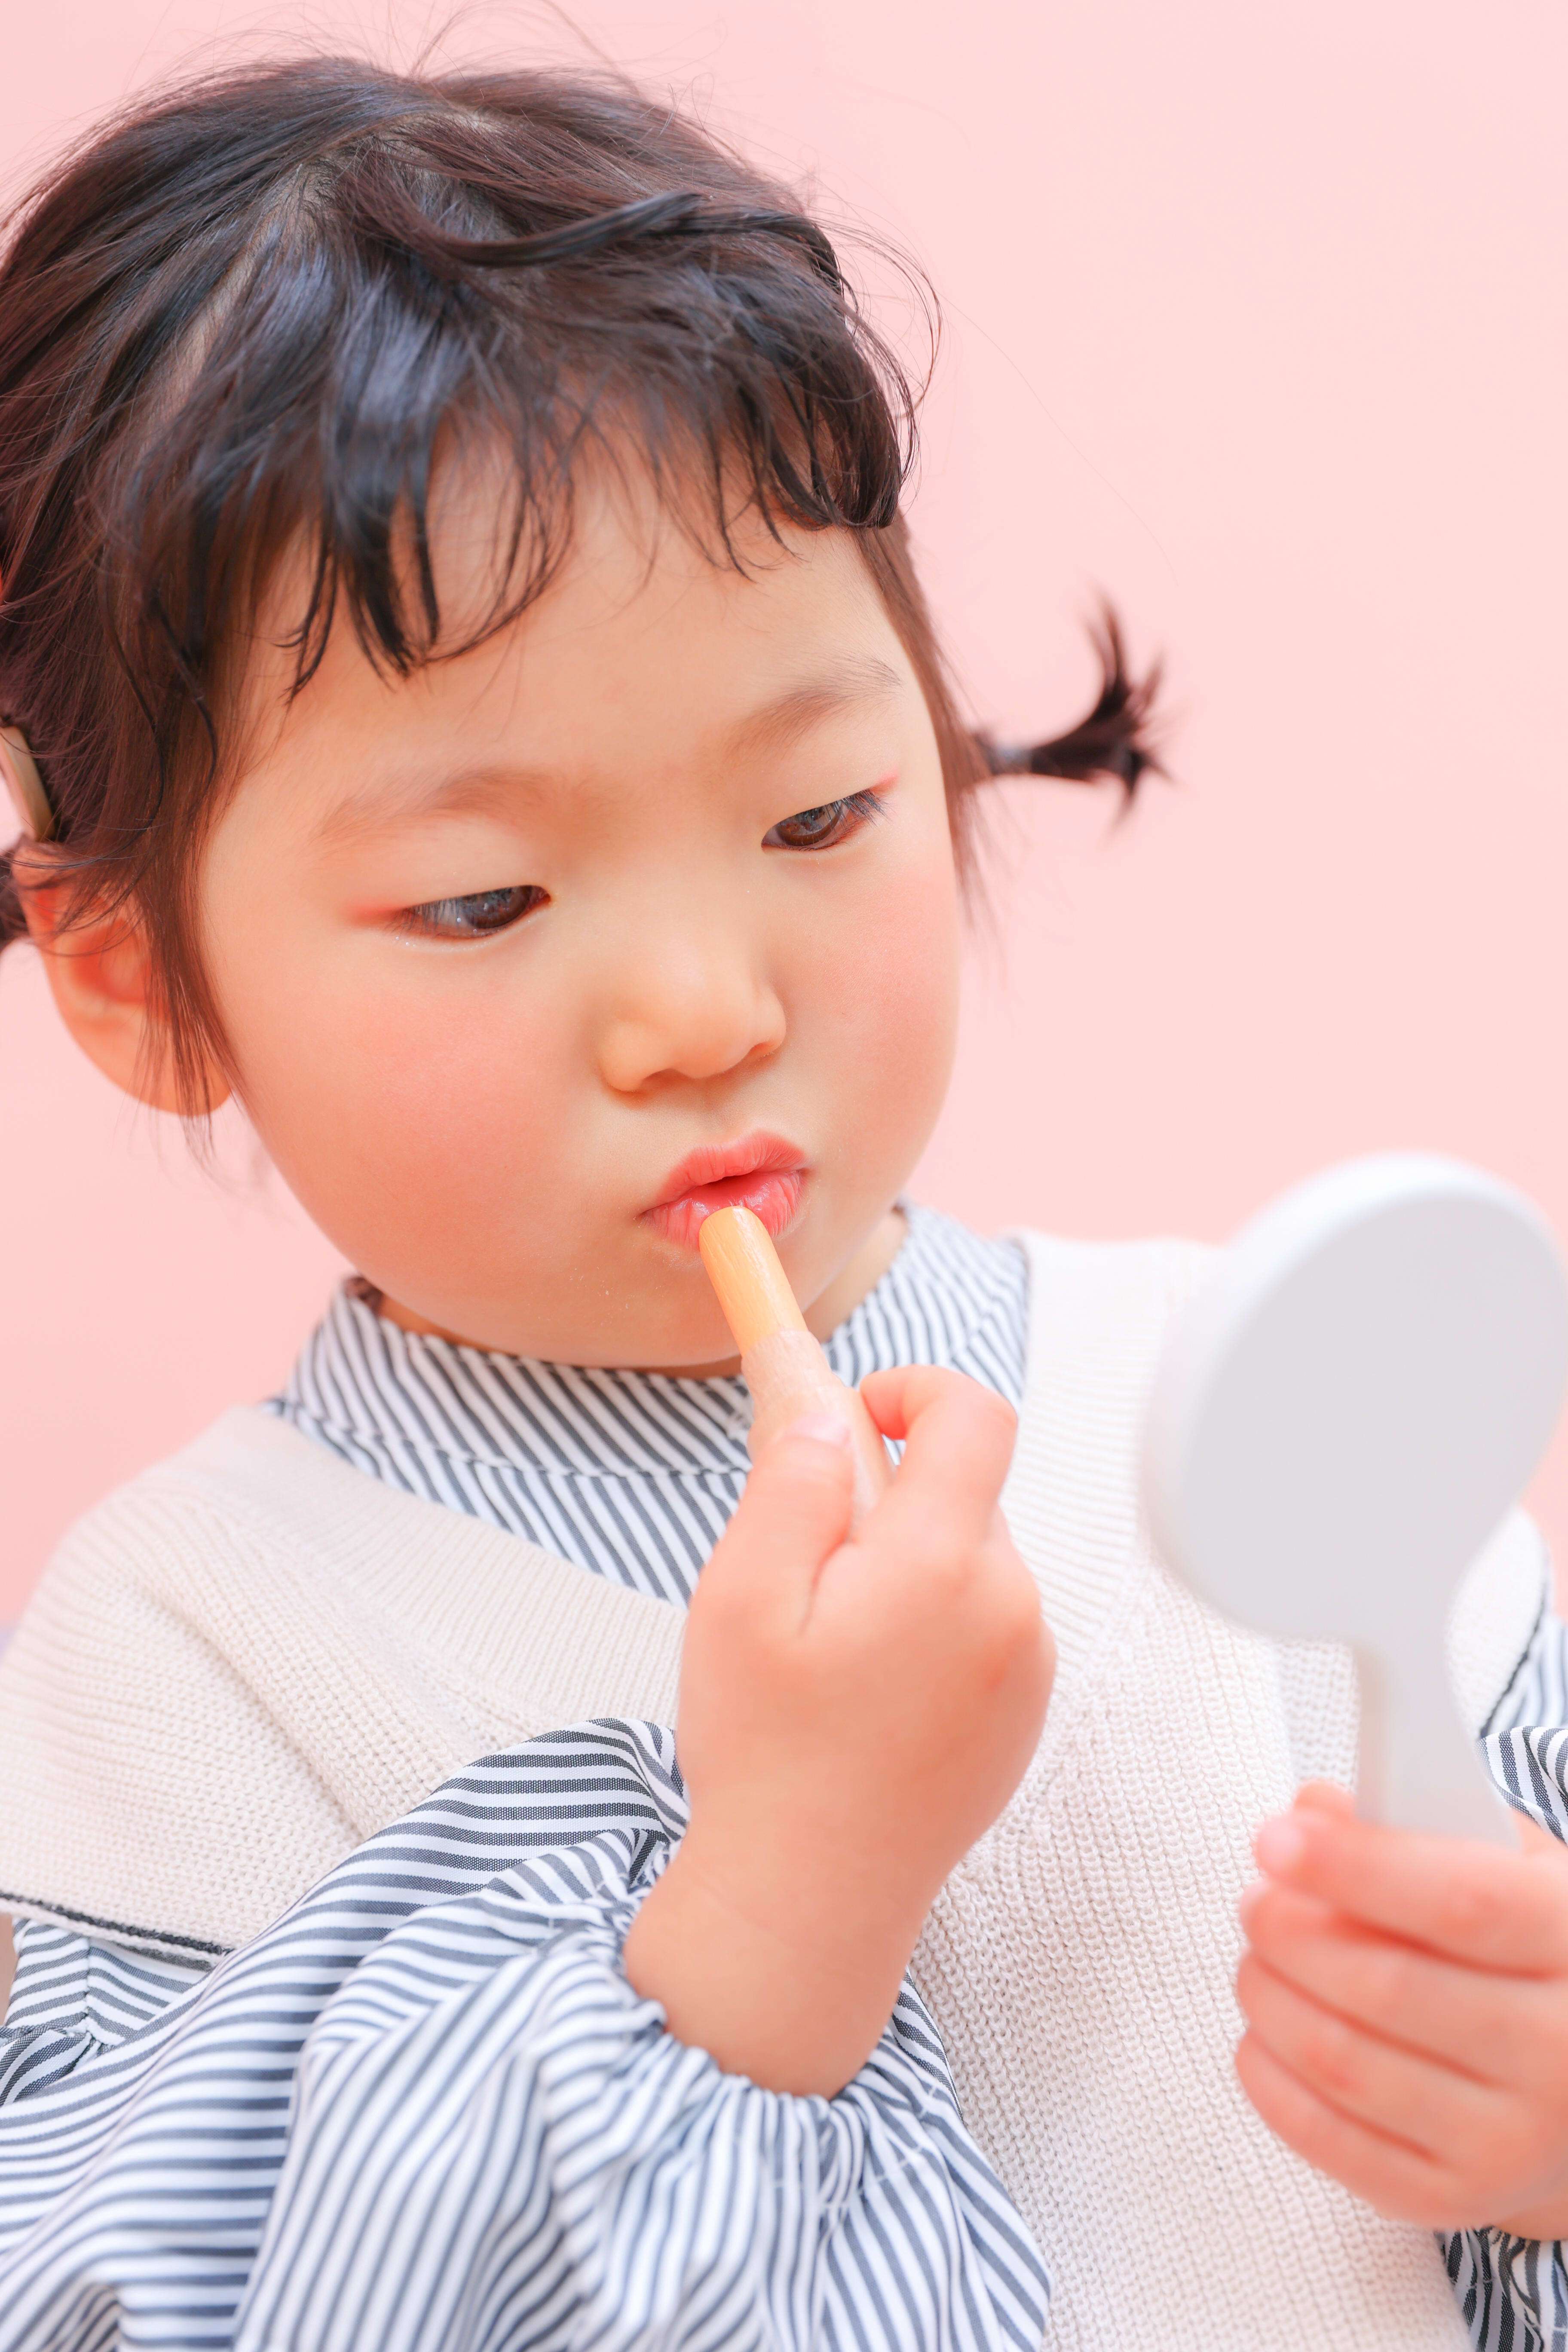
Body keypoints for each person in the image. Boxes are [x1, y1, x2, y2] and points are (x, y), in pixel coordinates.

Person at [0, 54, 1566, 2352]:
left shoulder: (1264, 1429)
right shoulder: (187, 1671)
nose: (704, 1009)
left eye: (820, 819)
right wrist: (779, 1911)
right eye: (488, 895)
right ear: (137, 979)